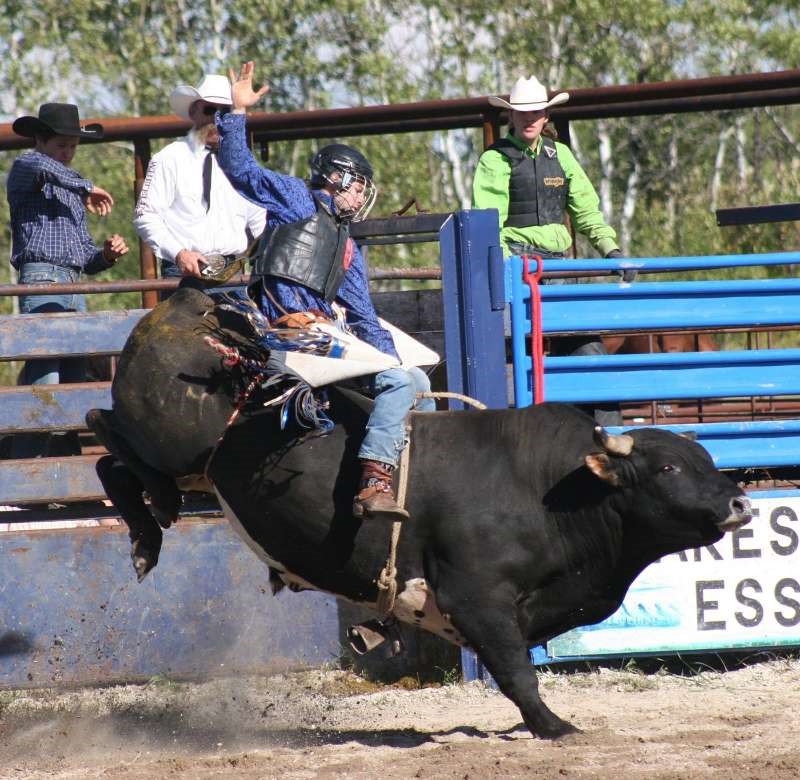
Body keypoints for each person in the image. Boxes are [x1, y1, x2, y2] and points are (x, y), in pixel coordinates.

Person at [216, 61, 434, 520]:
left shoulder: (349, 246)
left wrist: (391, 358)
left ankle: (418, 477)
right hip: (282, 328)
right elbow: (240, 168)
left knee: (416, 380)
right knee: (397, 383)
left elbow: (363, 317)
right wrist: (236, 112)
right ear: (338, 177)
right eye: (359, 187)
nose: (361, 197)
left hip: (322, 337)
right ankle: (375, 479)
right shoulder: (295, 198)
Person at [473, 75, 628, 425]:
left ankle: (609, 435)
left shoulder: (561, 156)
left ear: (546, 116)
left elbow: (586, 211)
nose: (530, 119)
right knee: (516, 363)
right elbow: (490, 222)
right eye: (522, 113)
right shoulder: (495, 161)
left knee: (591, 356)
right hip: (518, 268)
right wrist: (507, 269)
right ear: (510, 117)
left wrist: (610, 249)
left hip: (559, 271)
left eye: (537, 112)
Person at [7, 102, 129, 458]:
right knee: (46, 384)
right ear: (40, 141)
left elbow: (85, 259)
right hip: (43, 280)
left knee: (73, 388)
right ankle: (24, 477)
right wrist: (86, 186)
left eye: (73, 146)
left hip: (74, 286)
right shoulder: (27, 167)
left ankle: (64, 480)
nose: (68, 153)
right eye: (61, 145)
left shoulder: (72, 192)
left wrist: (105, 255)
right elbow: (38, 165)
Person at [133, 73, 266, 293]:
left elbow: (259, 220)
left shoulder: (244, 164)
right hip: (184, 274)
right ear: (193, 111)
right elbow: (145, 215)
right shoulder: (169, 158)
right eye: (209, 110)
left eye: (225, 111)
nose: (216, 118)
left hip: (233, 275)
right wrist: (179, 253)